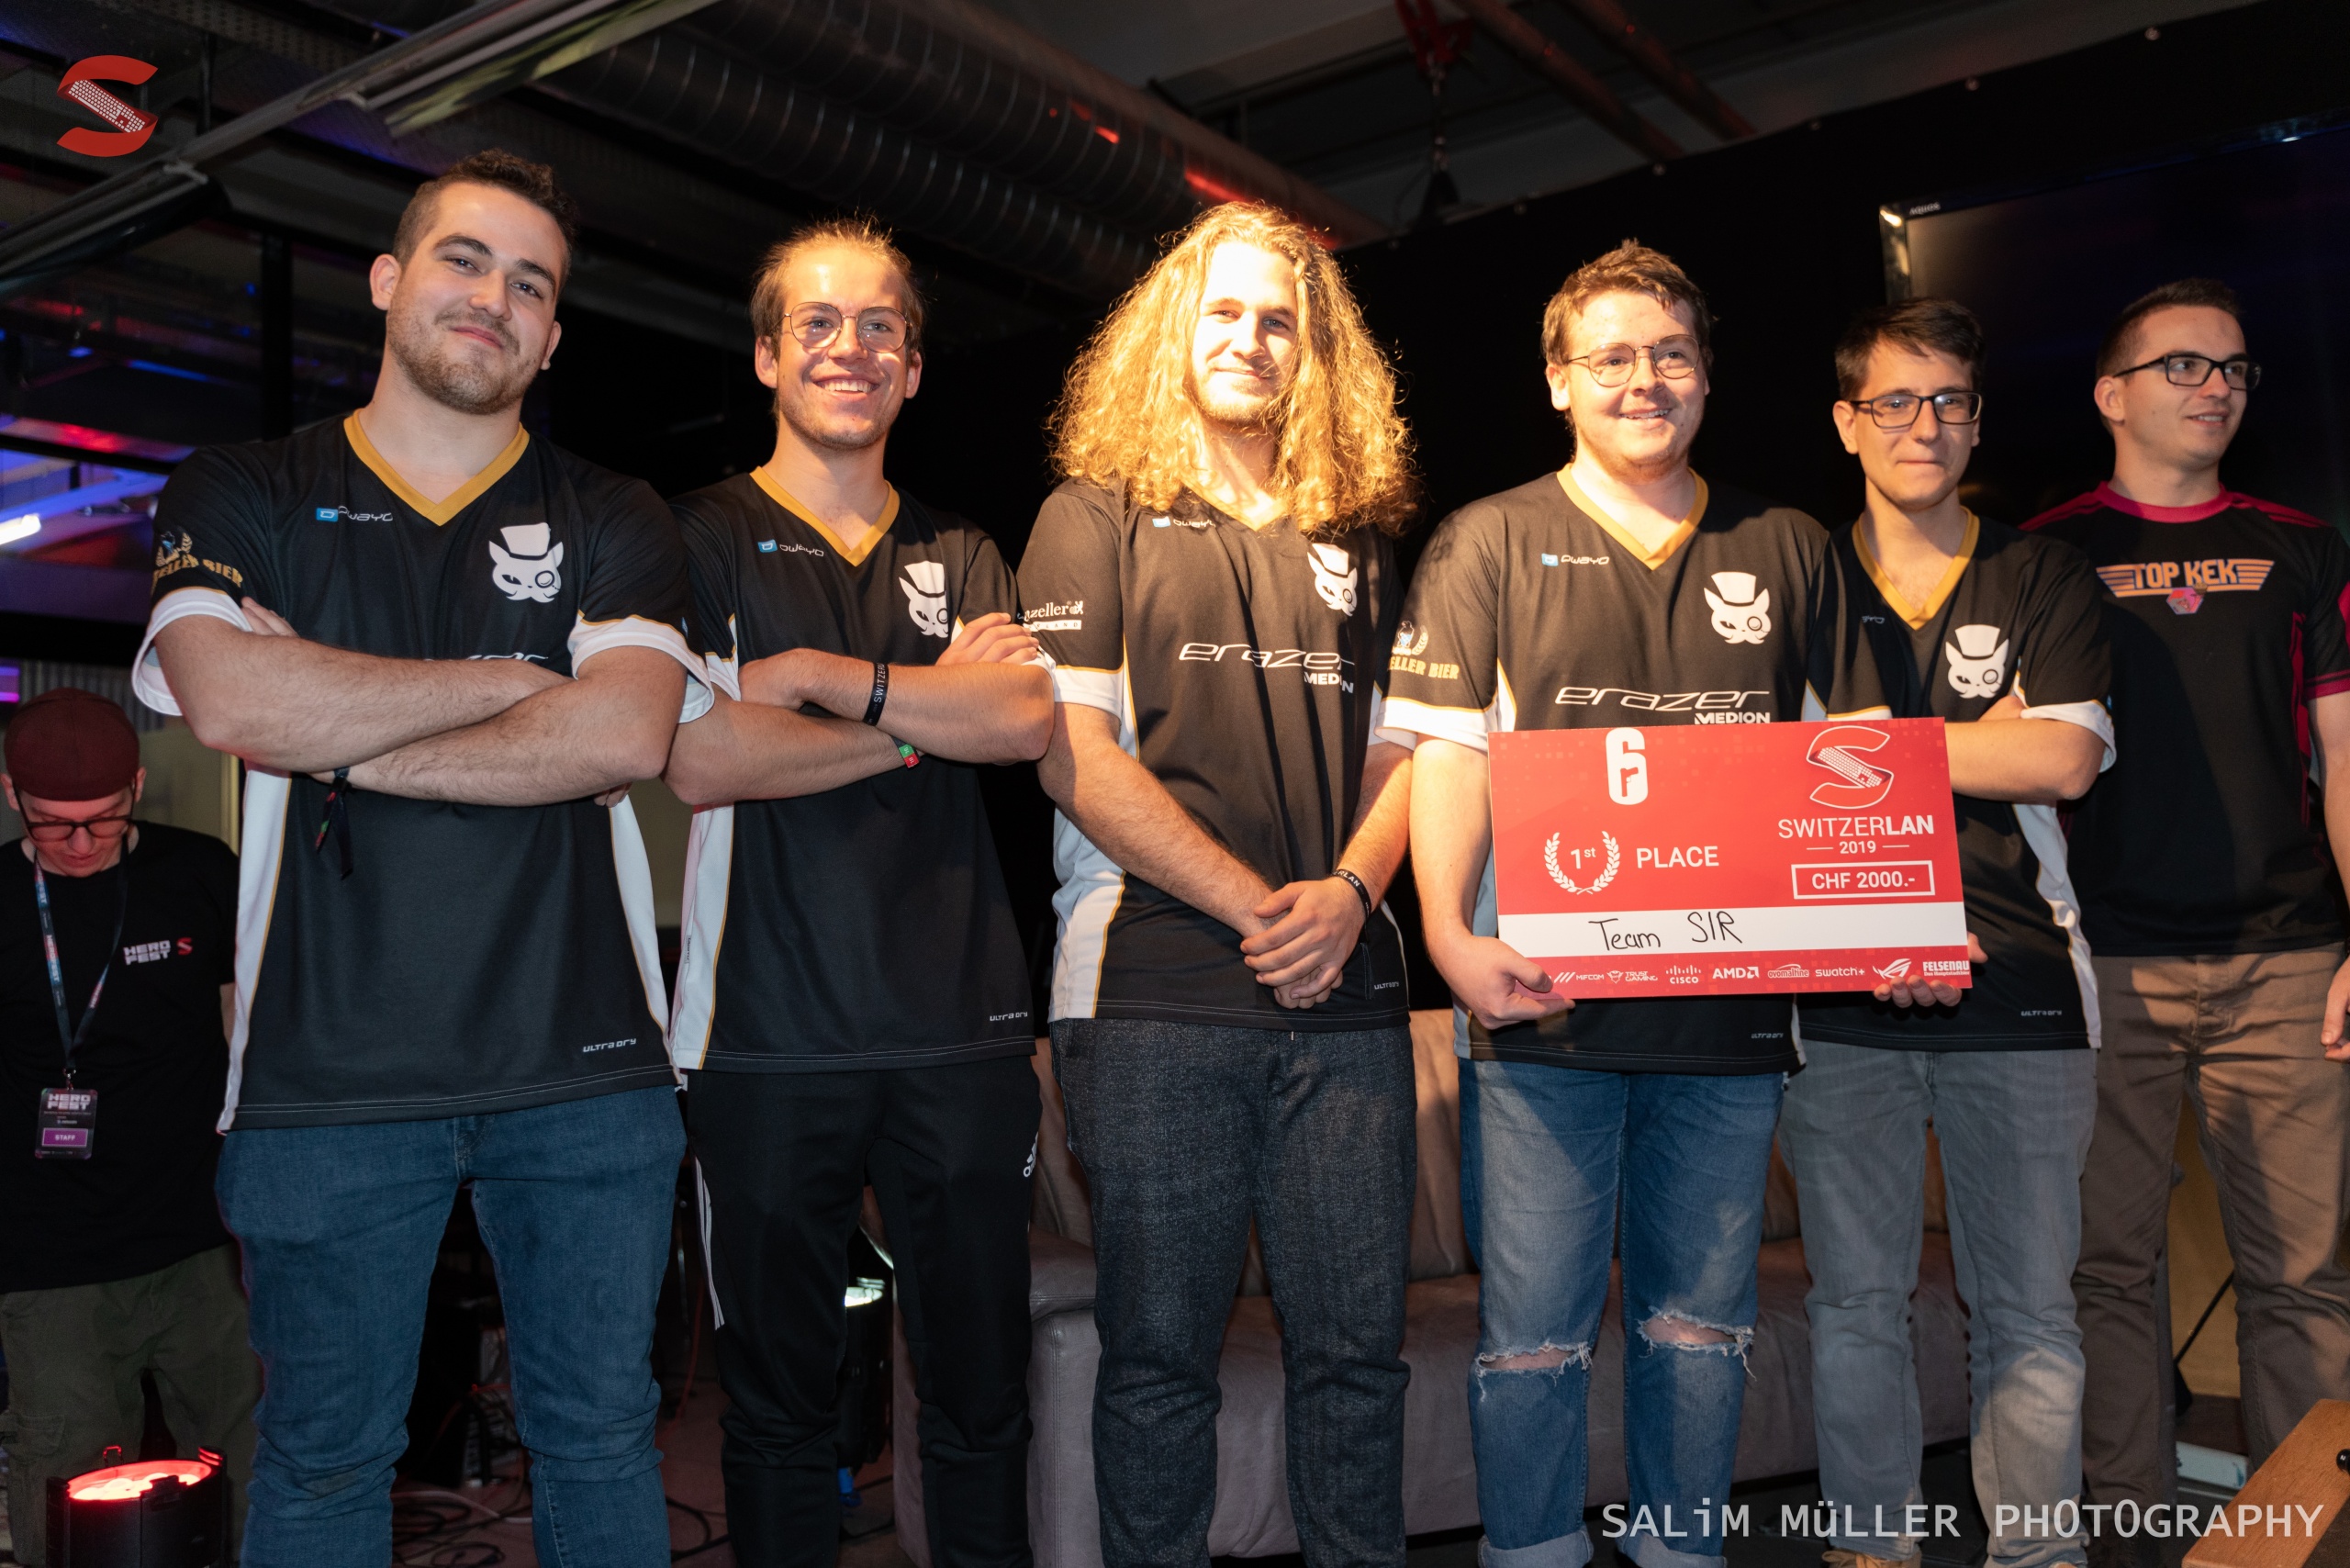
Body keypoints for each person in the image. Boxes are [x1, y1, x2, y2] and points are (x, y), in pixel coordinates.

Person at [131, 150, 702, 1568]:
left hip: (585, 1071)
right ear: (388, 281)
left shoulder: (614, 511)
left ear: (551, 337)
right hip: (324, 1077)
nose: (493, 297)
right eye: (463, 259)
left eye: (531, 283)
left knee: (601, 1441)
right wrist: (511, 681)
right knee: (322, 1464)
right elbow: (232, 701)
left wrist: (336, 729)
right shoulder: (246, 486)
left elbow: (625, 732)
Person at [1384, 241, 1888, 1568]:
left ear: (1707, 373)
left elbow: (1856, 767)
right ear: (1557, 379)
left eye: (1670, 352)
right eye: (1609, 356)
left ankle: (1680, 1550)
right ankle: (1532, 1553)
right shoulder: (1487, 539)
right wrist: (1448, 936)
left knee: (1700, 1333)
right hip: (1541, 1014)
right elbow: (1447, 758)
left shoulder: (1787, 545)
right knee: (1531, 1342)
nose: (1643, 379)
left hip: (1728, 1027)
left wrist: (1892, 922)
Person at [1017, 202, 1418, 1568]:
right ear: (1171, 334)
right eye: (1225, 312)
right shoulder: (1092, 515)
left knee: (1356, 1363)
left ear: (1315, 356)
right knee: (1159, 1366)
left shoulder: (1358, 537)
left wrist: (1348, 896)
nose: (1251, 340)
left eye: (1280, 322)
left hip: (1348, 998)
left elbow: (1408, 756)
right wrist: (1263, 909)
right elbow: (1072, 756)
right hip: (1153, 994)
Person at [661, 216, 1050, 1568]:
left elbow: (1023, 723)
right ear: (768, 356)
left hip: (964, 1034)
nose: (852, 347)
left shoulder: (967, 545)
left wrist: (829, 683)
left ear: (915, 367)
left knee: (982, 1399)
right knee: (779, 1413)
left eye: (881, 325)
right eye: (818, 323)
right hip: (764, 1038)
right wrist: (930, 719)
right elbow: (703, 758)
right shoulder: (698, 536)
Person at [1784, 299, 2111, 1568]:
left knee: (2027, 1313)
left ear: (1976, 420)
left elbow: (2064, 761)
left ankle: (2038, 1554)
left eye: (1950, 401)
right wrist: (1978, 744)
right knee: (1855, 1306)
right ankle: (1872, 1549)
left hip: (2022, 983)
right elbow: (1769, 785)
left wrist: (1861, 748)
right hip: (1838, 995)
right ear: (1846, 422)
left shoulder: (2045, 574)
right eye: (1894, 401)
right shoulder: (1796, 580)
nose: (1924, 425)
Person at [2027, 278, 2350, 1557]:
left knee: (2306, 1281)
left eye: (2234, 369)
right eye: (2184, 366)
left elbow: (2343, 753)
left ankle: (2296, 1539)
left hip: (2290, 963)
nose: (2217, 387)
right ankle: (2131, 1532)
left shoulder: (2301, 546)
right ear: (2111, 394)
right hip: (2103, 968)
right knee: (2102, 1273)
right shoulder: (2042, 554)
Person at [0, 688, 259, 1566]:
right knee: (67, 1466)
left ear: (139, 788)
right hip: (51, 1253)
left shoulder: (199, 872)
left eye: (103, 820)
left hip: (202, 1233)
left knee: (244, 1453)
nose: (80, 844)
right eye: (51, 823)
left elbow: (255, 1019)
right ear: (12, 796)